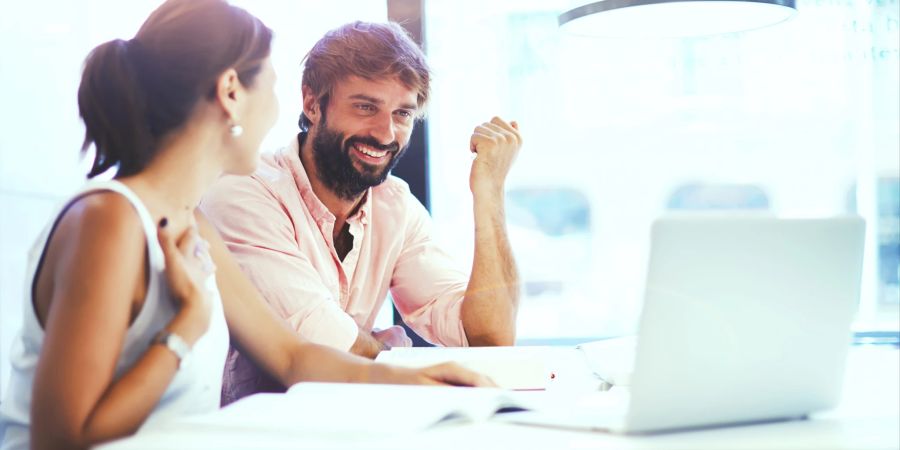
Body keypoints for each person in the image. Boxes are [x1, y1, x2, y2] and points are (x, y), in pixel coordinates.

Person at [0, 3, 492, 450]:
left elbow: (293, 357)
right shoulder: (109, 221)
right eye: (273, 87)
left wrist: (425, 382)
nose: (279, 112)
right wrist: (183, 331)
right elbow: (59, 438)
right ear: (231, 93)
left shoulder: (191, 222)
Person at [200, 21, 522, 405]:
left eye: (402, 114)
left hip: (345, 423)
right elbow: (322, 343)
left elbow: (489, 338)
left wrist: (488, 194)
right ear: (311, 103)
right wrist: (389, 357)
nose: (385, 134)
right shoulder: (245, 190)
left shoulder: (395, 205)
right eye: (366, 106)